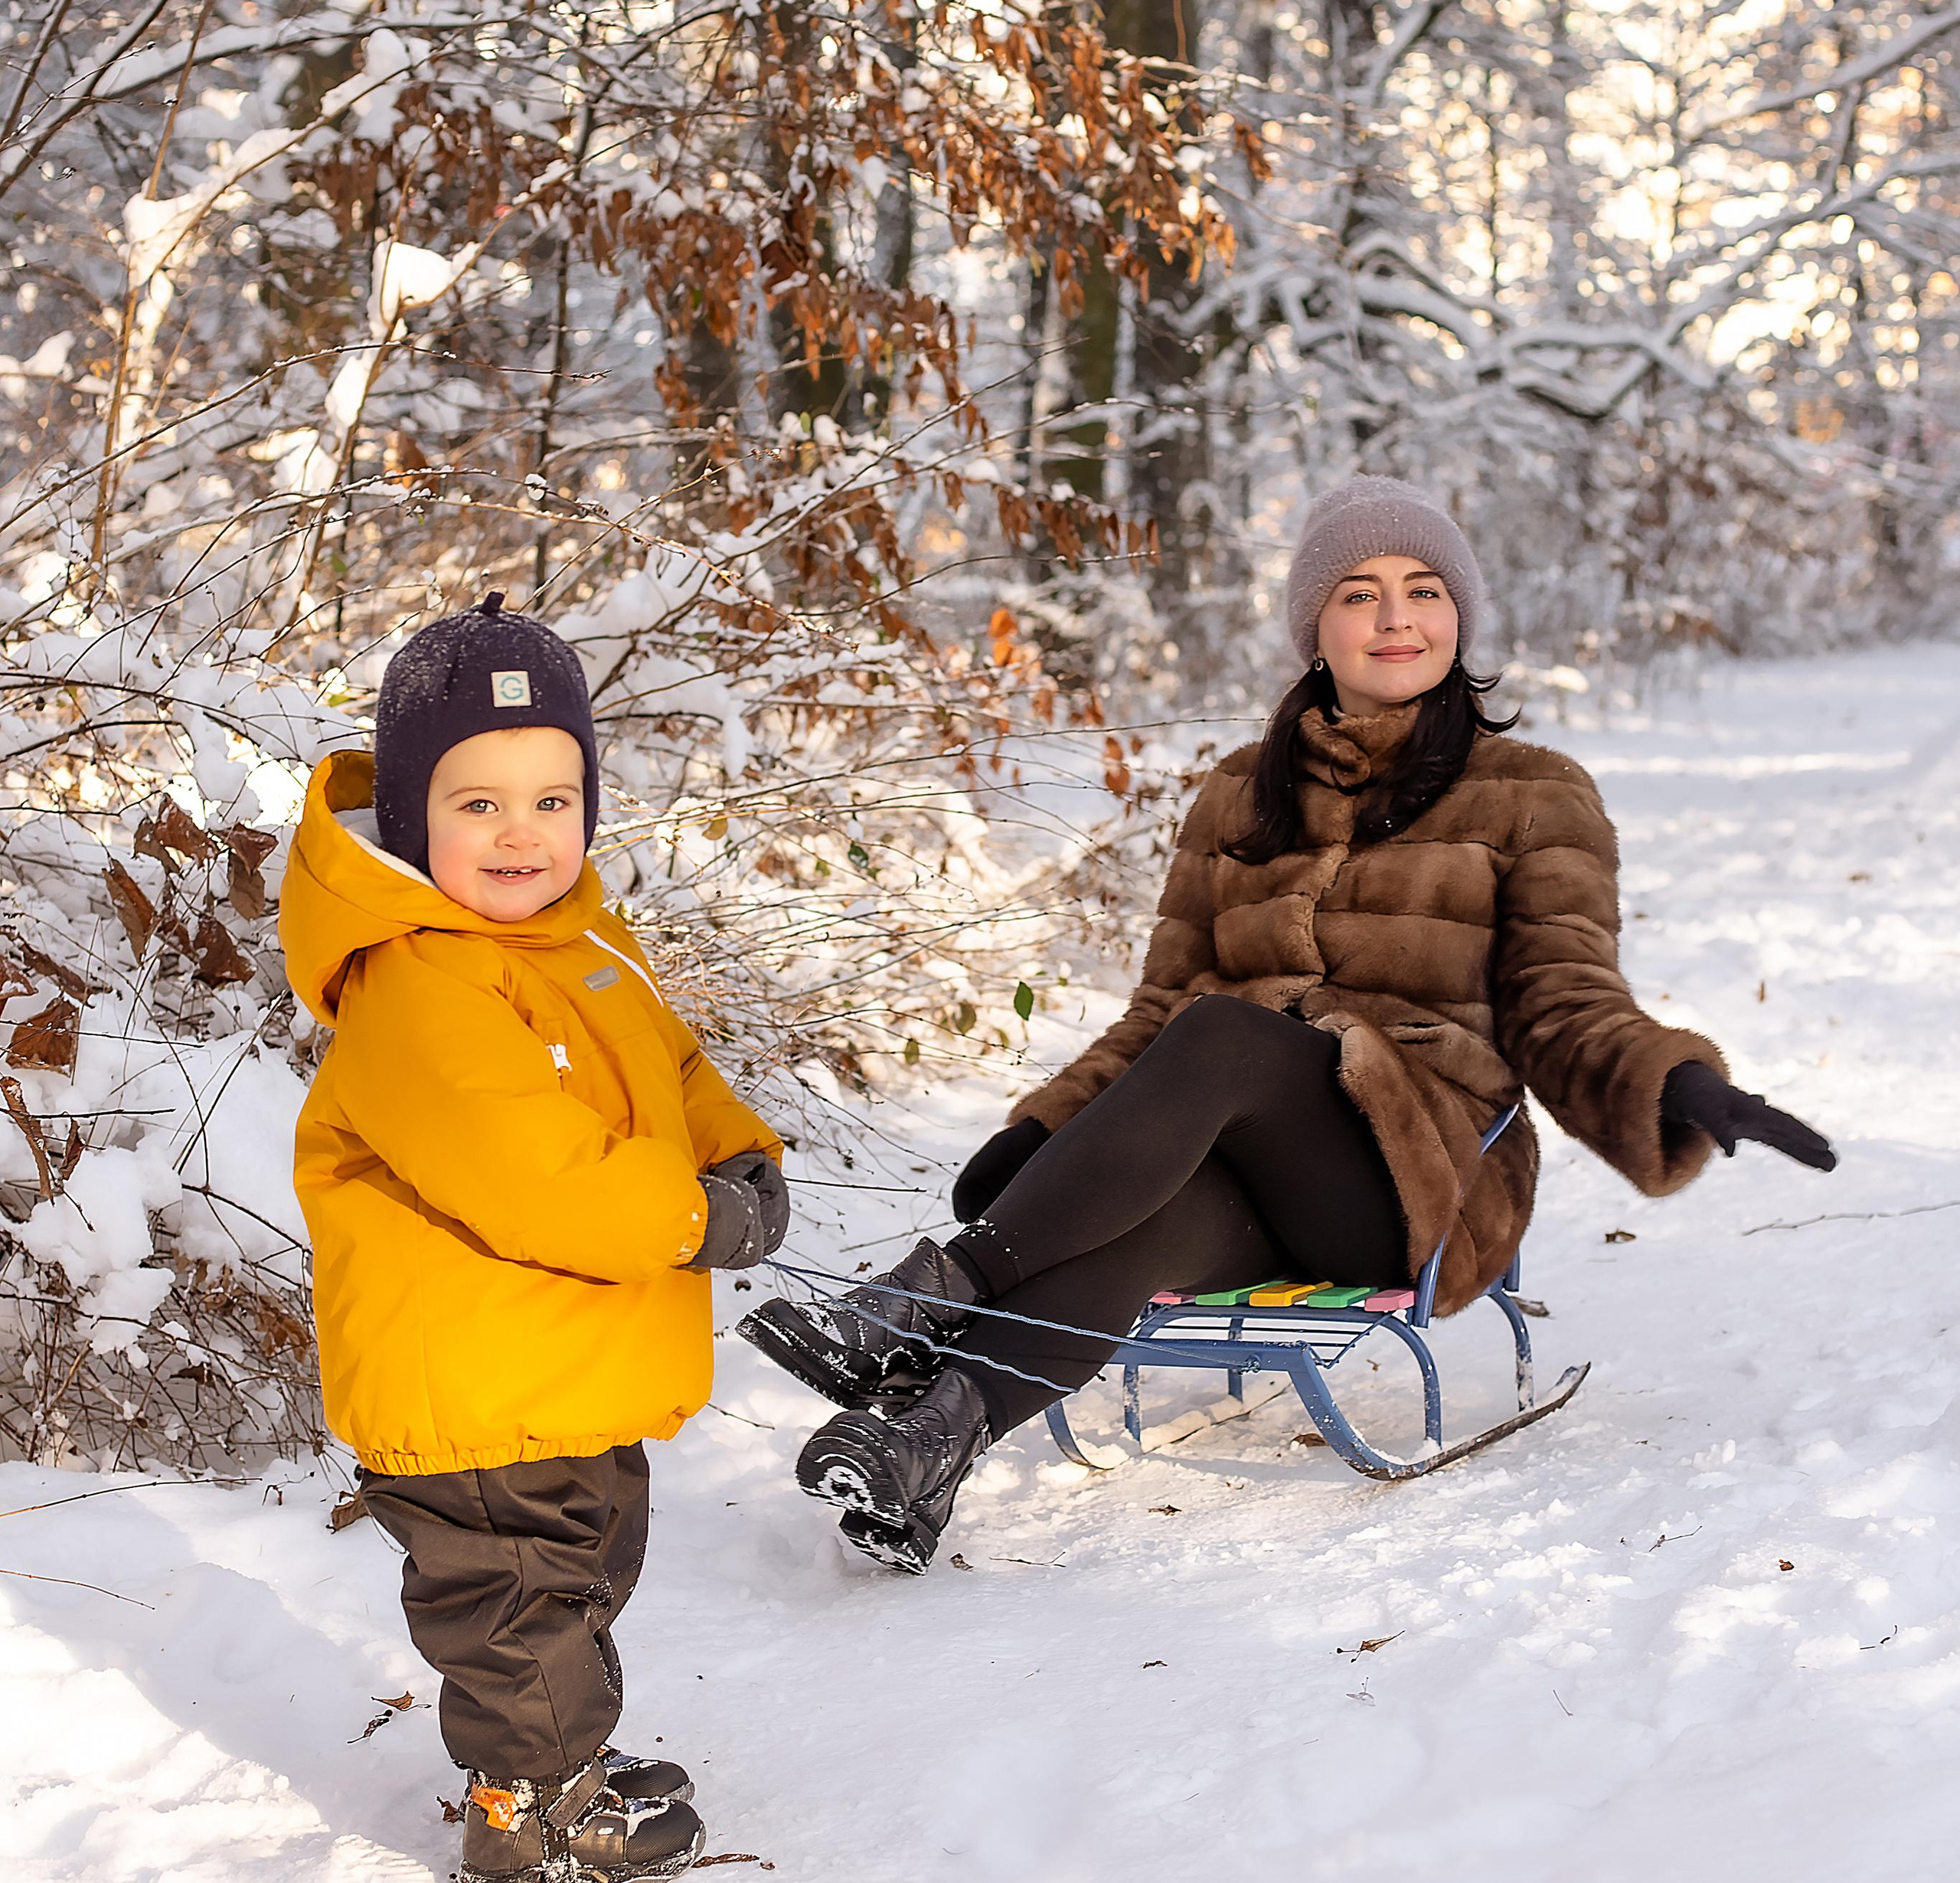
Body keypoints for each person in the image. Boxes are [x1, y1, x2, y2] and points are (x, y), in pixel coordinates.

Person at [742, 476, 1834, 1575]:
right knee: (1145, 1216)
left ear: (1460, 616)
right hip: (1256, 1173)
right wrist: (1052, 1138)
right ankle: (923, 1449)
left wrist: (1674, 1085)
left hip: (1424, 1176)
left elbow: (1564, 998)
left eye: (1423, 590)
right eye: (1359, 593)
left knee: (1229, 1032)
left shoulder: (1532, 794)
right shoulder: (1236, 796)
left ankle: (924, 1298)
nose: (1396, 617)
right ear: (1317, 628)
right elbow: (1157, 1013)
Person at [280, 594, 787, 1883]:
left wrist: (740, 1158)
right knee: (517, 1609)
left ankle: (568, 1763)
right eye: (480, 804)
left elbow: (673, 1070)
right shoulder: (416, 984)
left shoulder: (580, 947)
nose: (523, 836)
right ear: (408, 815)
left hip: (560, 1370)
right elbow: (535, 1173)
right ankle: (529, 1822)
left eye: (553, 802)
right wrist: (693, 1221)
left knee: (580, 1577)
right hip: (477, 1385)